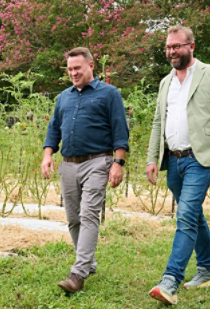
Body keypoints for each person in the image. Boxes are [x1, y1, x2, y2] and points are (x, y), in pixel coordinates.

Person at [146, 25, 210, 305]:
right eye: (168, 47)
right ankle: (207, 270)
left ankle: (170, 281)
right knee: (193, 216)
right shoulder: (165, 82)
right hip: (174, 160)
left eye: (177, 46)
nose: (171, 51)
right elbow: (158, 122)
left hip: (200, 159)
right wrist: (152, 158)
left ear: (191, 46)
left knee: (186, 216)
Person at [41, 47, 129, 293]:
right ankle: (88, 263)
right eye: (69, 69)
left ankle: (78, 273)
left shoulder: (109, 94)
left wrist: (118, 163)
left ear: (91, 65)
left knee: (89, 214)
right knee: (73, 218)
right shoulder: (64, 97)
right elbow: (53, 130)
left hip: (97, 162)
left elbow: (120, 130)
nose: (73, 73)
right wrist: (48, 155)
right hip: (68, 164)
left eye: (77, 68)